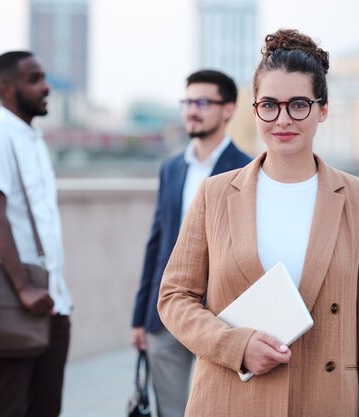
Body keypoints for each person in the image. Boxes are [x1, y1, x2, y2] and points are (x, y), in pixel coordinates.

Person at [157, 29, 359, 417]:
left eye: (298, 104)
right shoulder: (214, 194)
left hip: (326, 401)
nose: (282, 119)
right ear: (254, 110)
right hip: (230, 399)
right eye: (269, 105)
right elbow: (173, 298)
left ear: (323, 109)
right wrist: (235, 345)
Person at [131, 69, 251, 417]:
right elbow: (156, 244)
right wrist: (140, 316)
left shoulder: (248, 169)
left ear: (228, 109)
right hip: (166, 314)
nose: (191, 110)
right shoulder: (171, 168)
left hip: (223, 315)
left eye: (202, 102)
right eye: (187, 102)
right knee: (170, 410)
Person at [0, 51, 72, 417]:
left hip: (51, 298)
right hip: (13, 297)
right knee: (4, 406)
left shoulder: (32, 138)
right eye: (34, 79)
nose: (45, 87)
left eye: (44, 77)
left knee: (43, 408)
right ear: (6, 89)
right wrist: (23, 288)